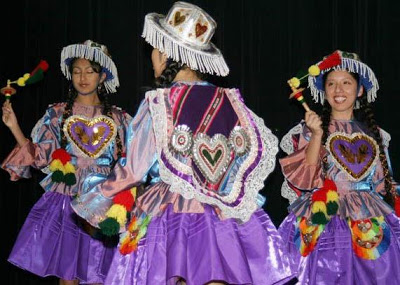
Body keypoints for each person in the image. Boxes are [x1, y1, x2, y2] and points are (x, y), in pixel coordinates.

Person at [71, 2, 294, 284]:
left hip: (171, 213)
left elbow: (134, 170)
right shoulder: (230, 101)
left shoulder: (159, 103)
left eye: (153, 49)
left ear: (165, 53)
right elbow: (248, 157)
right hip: (221, 214)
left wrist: (96, 195)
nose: (152, 56)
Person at [2, 40, 132, 284]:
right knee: (68, 275)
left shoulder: (120, 119)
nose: (82, 77)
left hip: (102, 202)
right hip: (67, 203)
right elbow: (40, 155)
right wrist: (14, 127)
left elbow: (132, 164)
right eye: (76, 71)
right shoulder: (57, 113)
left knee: (98, 275)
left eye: (89, 71)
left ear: (102, 76)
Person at [278, 50, 400, 284]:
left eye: (346, 83)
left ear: (360, 89)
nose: (338, 90)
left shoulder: (376, 135)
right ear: (324, 92)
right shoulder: (311, 129)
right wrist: (316, 134)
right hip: (327, 220)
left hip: (368, 221)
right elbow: (305, 178)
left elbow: (383, 185)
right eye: (331, 83)